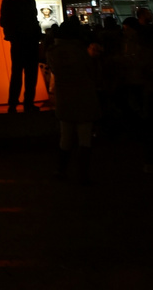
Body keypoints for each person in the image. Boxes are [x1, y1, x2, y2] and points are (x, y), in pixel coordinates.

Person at [47, 20, 100, 182]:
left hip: (64, 97)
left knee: (66, 137)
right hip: (84, 96)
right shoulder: (80, 51)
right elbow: (90, 71)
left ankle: (61, 170)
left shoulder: (53, 51)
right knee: (84, 137)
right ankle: (82, 173)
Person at [0, 0, 40, 112]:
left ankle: (23, 102)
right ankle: (17, 102)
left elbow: (33, 20)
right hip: (20, 41)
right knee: (20, 73)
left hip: (26, 41)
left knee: (28, 74)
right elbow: (4, 21)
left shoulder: (25, 1)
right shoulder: (11, 1)